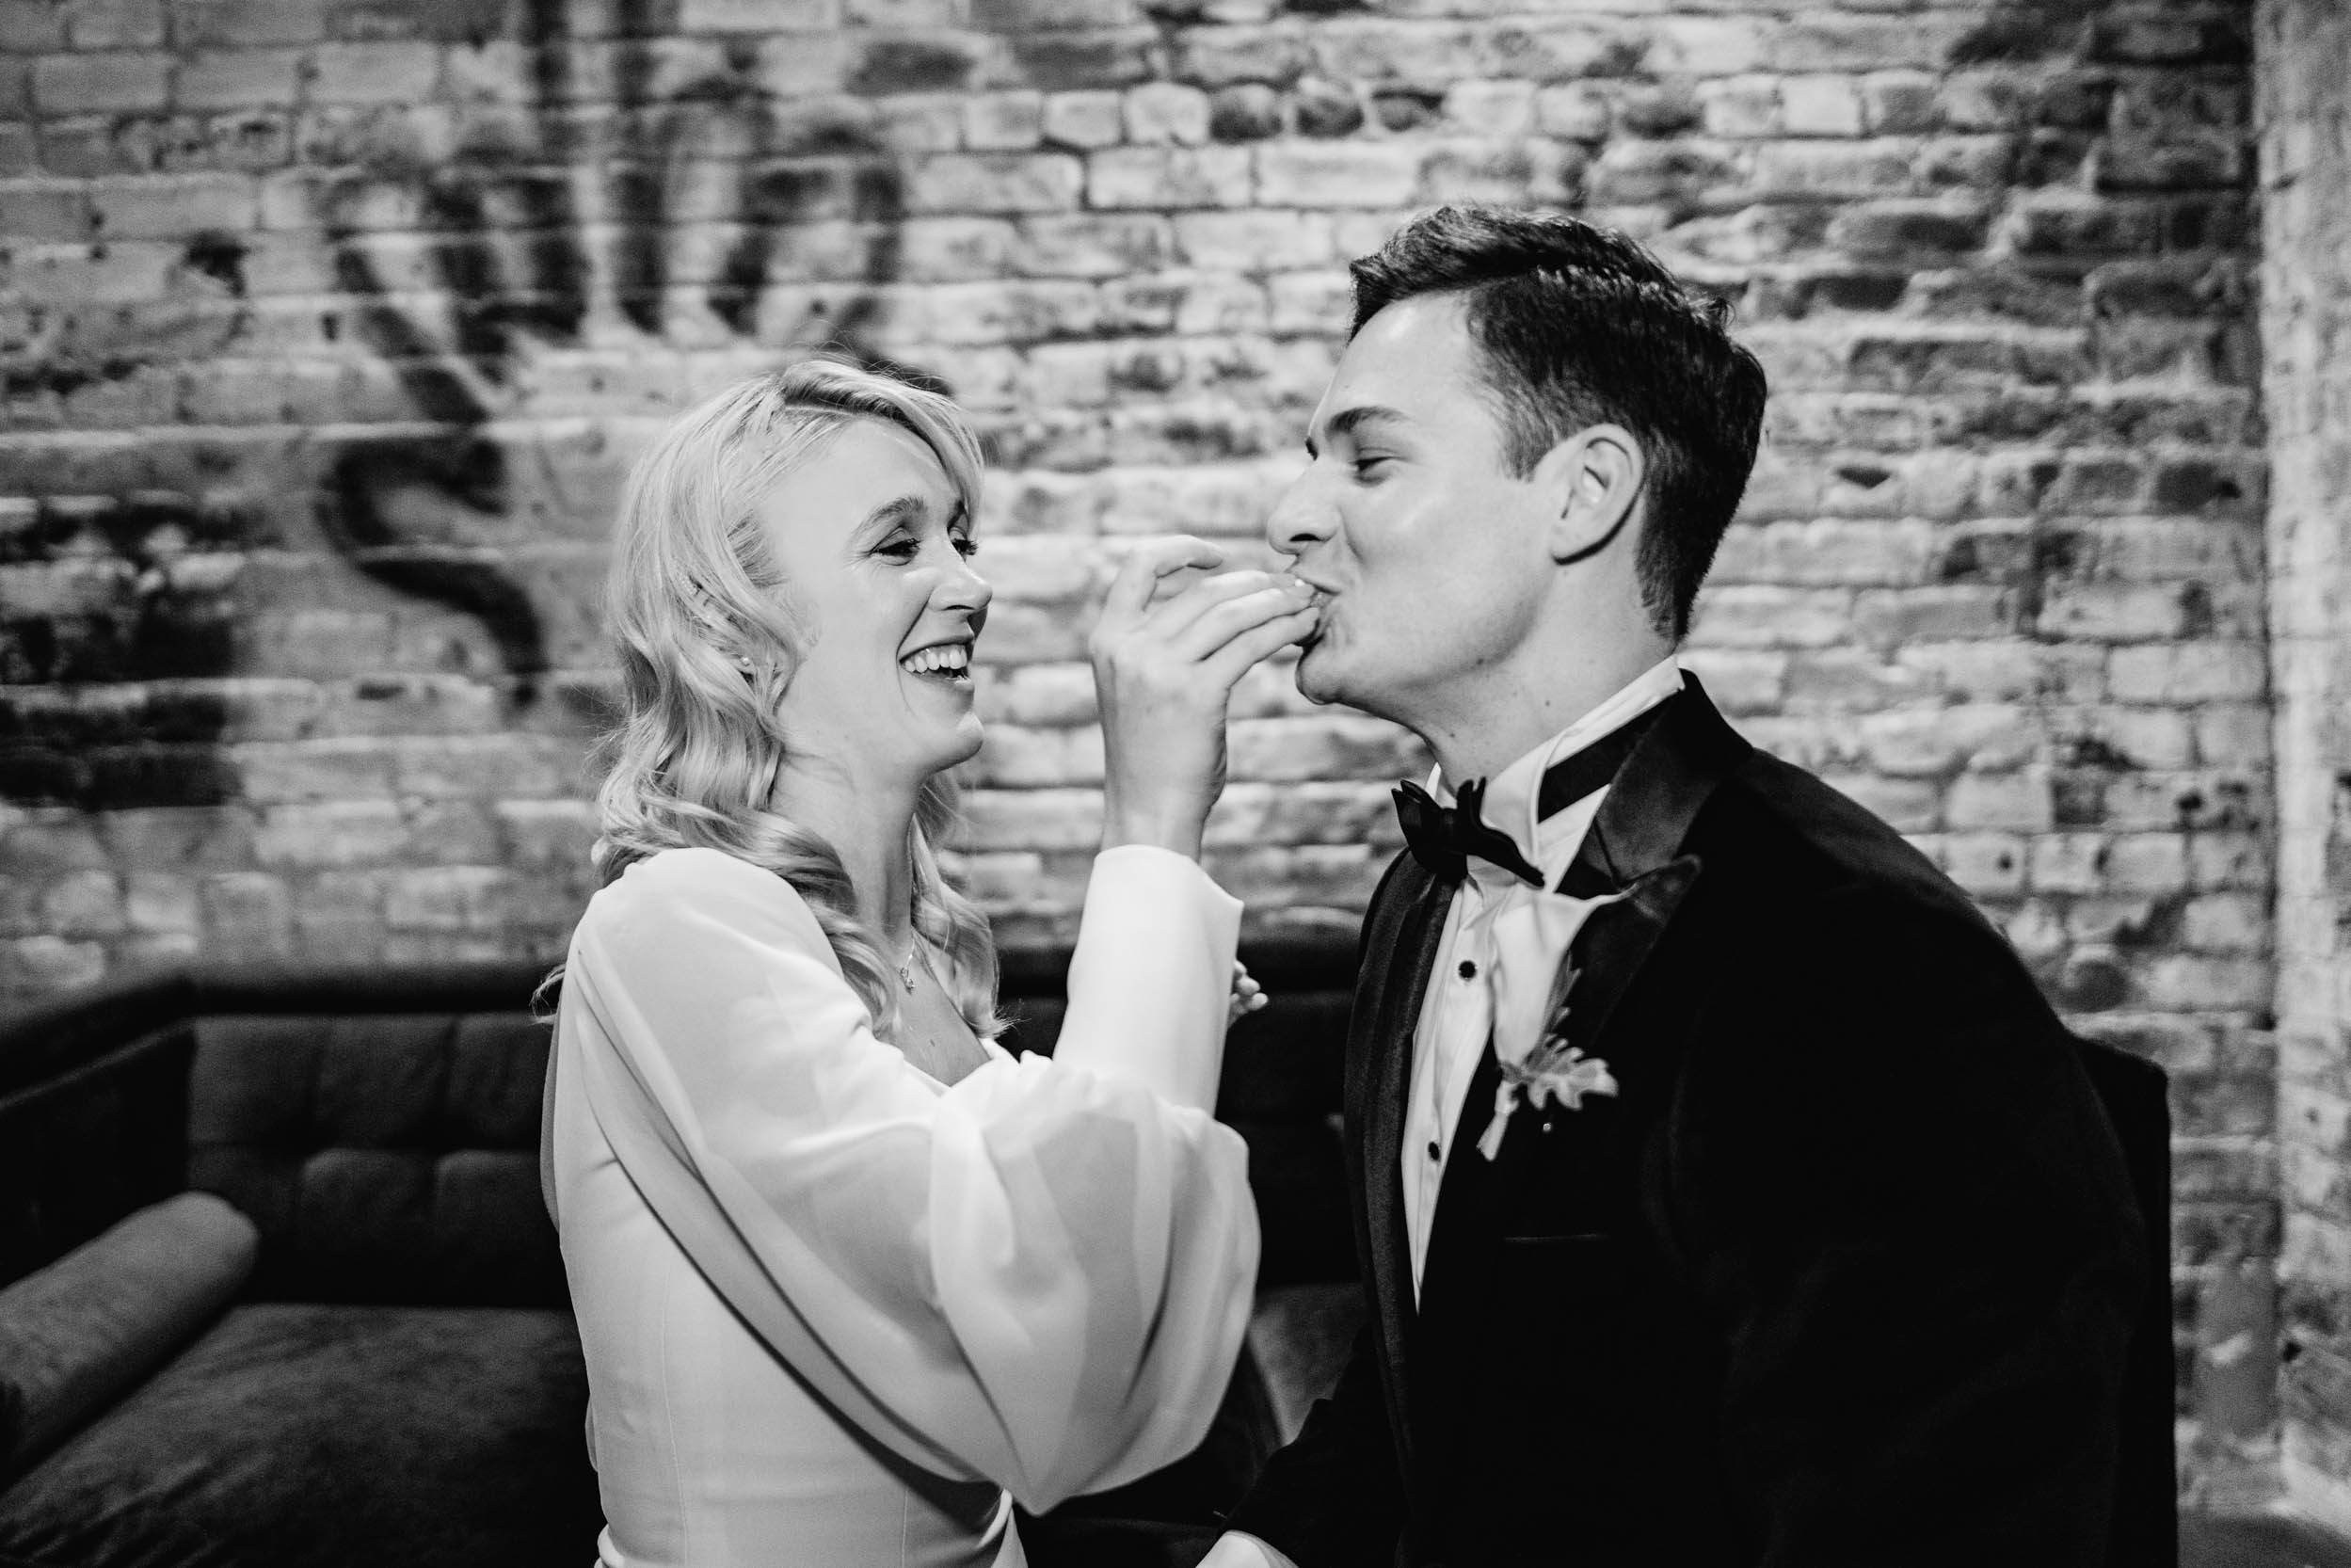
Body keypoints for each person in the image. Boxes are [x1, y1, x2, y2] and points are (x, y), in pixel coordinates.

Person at [1204, 206, 2152, 1567]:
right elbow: (1435, 1388)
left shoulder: (1855, 967)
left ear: (1584, 494)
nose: (1292, 515)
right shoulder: (1421, 900)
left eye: (1367, 459)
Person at [539, 359, 1320, 1568]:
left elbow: (1016, 1231)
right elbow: (1064, 1376)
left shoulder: (914, 944)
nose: (971, 584)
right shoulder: (678, 922)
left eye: (959, 536)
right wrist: (1151, 827)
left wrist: (1154, 1007)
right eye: (897, 546)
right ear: (728, 629)